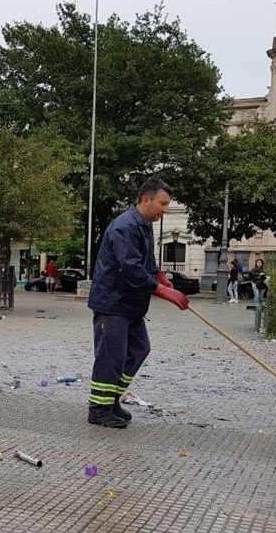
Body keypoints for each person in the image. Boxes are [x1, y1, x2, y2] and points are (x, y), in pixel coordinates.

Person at [86, 178, 189, 428]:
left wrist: (159, 275)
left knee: (139, 349)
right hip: (113, 303)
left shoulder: (144, 225)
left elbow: (144, 261)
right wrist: (163, 292)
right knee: (112, 355)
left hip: (131, 305)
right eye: (163, 203)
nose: (165, 209)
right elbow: (130, 269)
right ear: (146, 199)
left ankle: (110, 399)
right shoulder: (124, 227)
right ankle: (98, 409)